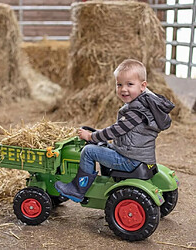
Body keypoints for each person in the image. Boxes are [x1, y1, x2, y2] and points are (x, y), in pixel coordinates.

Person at [55, 59, 175, 202]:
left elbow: (115, 130)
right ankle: (106, 180)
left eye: (130, 84)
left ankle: (77, 190)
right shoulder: (146, 105)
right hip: (138, 155)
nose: (124, 89)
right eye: (119, 84)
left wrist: (91, 136)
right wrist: (100, 135)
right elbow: (124, 132)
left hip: (130, 159)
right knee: (104, 145)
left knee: (89, 151)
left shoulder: (137, 110)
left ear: (143, 86)